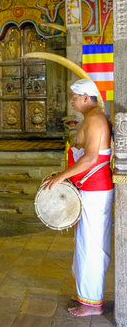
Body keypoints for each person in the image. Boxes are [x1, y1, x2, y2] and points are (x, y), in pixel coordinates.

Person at [41, 78, 114, 317]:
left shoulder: (94, 119)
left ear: (85, 97)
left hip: (95, 189)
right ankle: (87, 295)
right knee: (86, 243)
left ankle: (93, 304)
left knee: (91, 246)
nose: (71, 100)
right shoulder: (93, 118)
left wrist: (61, 177)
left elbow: (91, 158)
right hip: (90, 189)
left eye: (74, 96)